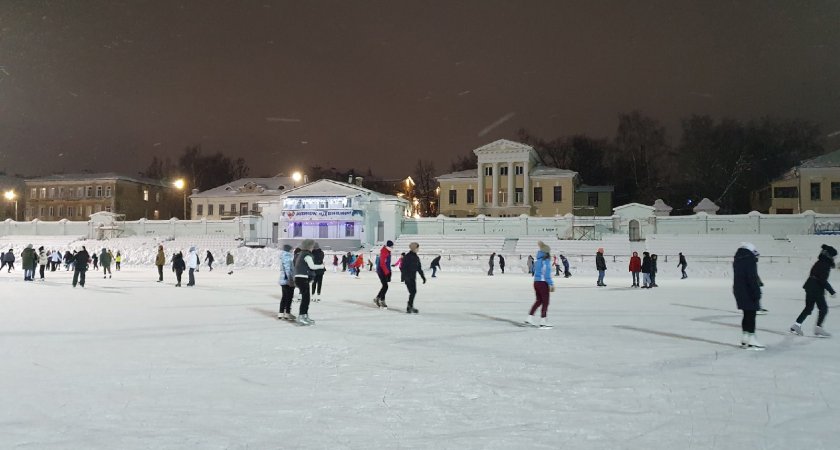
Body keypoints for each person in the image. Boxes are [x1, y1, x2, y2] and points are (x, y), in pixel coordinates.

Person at [790, 244, 836, 337]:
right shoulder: (825, 264)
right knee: (823, 308)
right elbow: (822, 279)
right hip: (816, 289)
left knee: (808, 308)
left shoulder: (819, 262)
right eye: (833, 256)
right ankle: (818, 328)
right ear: (829, 256)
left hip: (810, 286)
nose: (834, 258)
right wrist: (831, 290)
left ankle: (796, 325)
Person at [733, 242, 764, 350]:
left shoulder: (738, 260)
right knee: (751, 315)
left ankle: (745, 338)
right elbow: (752, 278)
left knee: (746, 314)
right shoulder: (749, 260)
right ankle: (752, 340)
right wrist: (757, 292)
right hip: (749, 290)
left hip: (739, 291)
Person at [294, 239, 325, 325]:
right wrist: (321, 266)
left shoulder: (301, 254)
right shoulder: (307, 255)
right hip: (302, 278)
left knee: (306, 299)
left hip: (300, 278)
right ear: (308, 247)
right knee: (305, 299)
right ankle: (301, 317)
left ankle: (304, 315)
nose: (313, 248)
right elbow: (312, 266)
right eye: (312, 246)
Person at [525, 241, 555, 329]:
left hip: (536, 282)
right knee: (545, 302)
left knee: (539, 301)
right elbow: (546, 274)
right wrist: (551, 284)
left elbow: (534, 270)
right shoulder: (545, 262)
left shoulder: (537, 260)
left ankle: (529, 318)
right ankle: (543, 321)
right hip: (542, 283)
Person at [401, 242, 426, 314]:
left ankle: (410, 305)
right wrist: (405, 277)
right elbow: (403, 268)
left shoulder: (416, 257)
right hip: (408, 277)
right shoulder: (407, 257)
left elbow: (419, 268)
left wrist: (423, 277)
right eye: (417, 248)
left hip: (413, 277)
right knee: (412, 292)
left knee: (413, 292)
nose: (418, 249)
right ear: (414, 248)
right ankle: (409, 306)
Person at [277, 244, 296, 320]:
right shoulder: (287, 257)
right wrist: (290, 279)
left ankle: (281, 313)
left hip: (283, 279)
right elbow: (288, 269)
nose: (292, 251)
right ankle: (287, 313)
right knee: (289, 297)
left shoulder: (283, 256)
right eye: (291, 249)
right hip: (287, 280)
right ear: (288, 250)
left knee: (284, 297)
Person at [374, 240, 394, 308]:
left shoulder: (388, 251)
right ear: (388, 246)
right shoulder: (384, 252)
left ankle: (378, 298)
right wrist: (387, 272)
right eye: (391, 246)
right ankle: (381, 300)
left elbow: (387, 264)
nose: (392, 247)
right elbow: (382, 264)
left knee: (384, 286)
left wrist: (389, 271)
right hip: (381, 271)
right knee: (385, 286)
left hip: (385, 271)